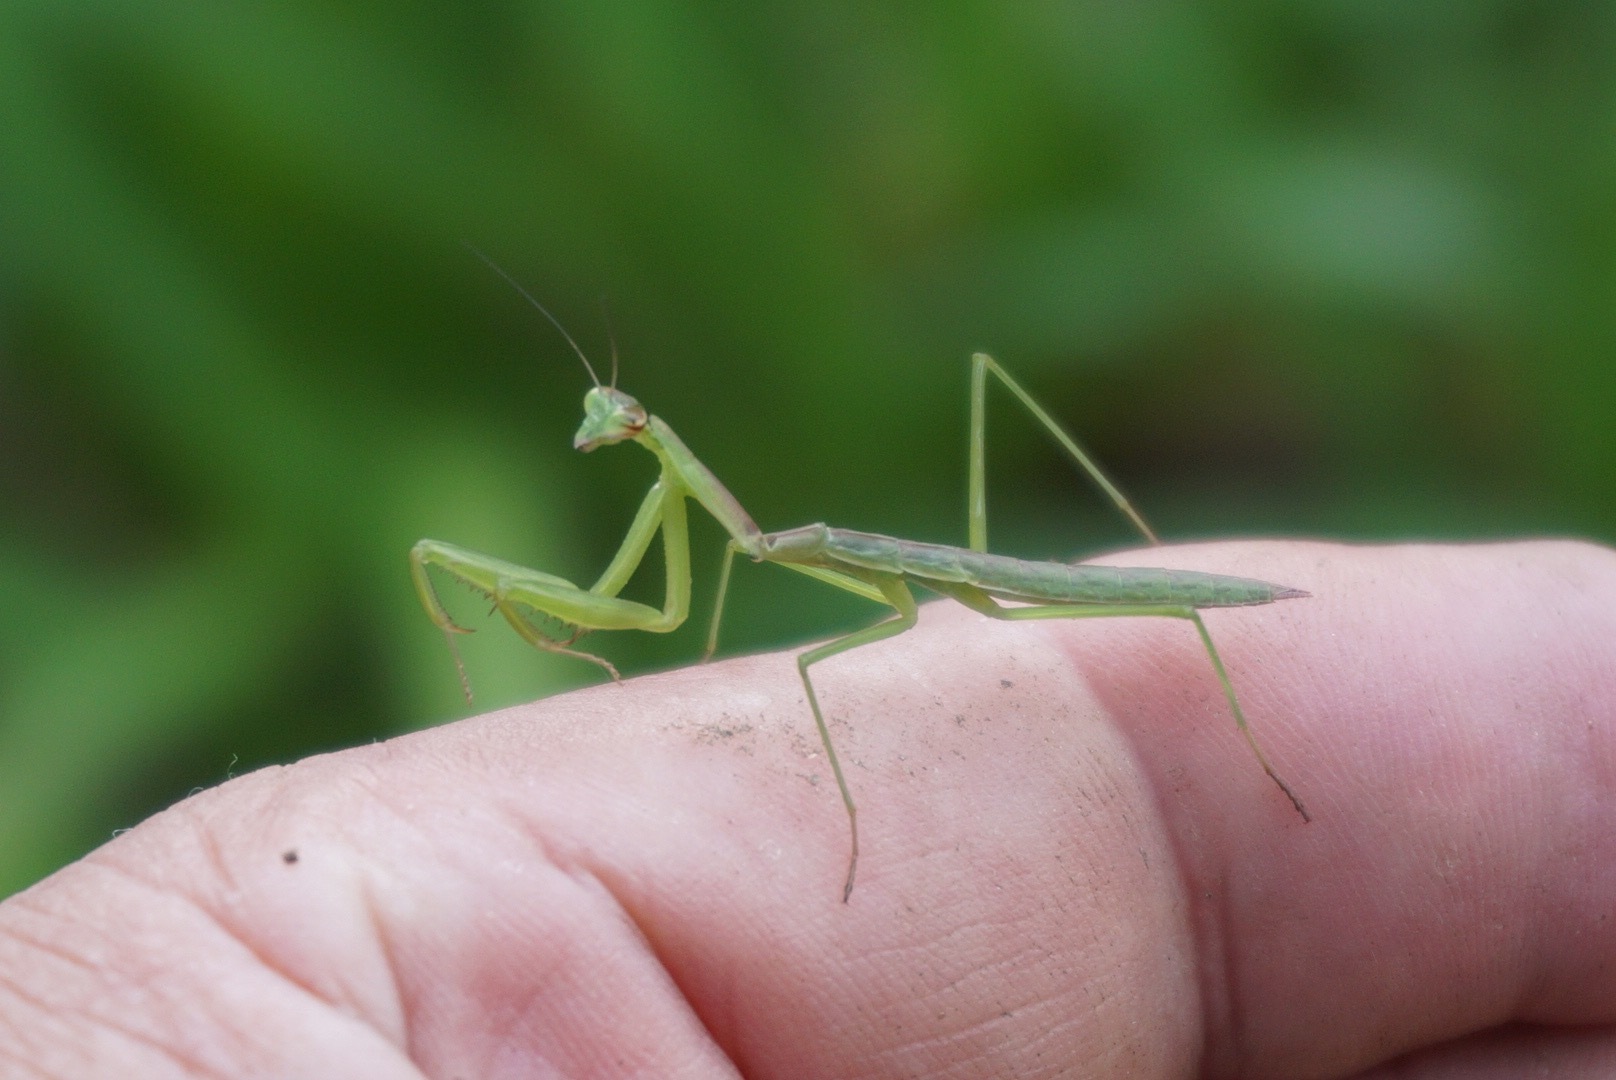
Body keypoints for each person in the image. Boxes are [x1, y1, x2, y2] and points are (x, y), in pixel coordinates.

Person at [2, 541, 1613, 1077]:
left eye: (621, 430)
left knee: (1079, 629)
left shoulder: (812, 559)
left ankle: (1259, 736)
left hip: (1059, 598)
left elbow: (682, 629)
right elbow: (658, 622)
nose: (604, 437)